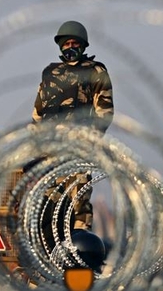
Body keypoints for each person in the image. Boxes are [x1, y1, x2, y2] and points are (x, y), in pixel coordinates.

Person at [29, 20, 113, 254]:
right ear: (60, 46)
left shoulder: (95, 72)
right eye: (67, 44)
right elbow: (38, 113)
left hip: (78, 149)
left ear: (83, 45)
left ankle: (77, 251)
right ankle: (49, 252)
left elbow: (104, 112)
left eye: (75, 43)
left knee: (78, 201)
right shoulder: (50, 72)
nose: (70, 47)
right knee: (50, 203)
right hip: (50, 152)